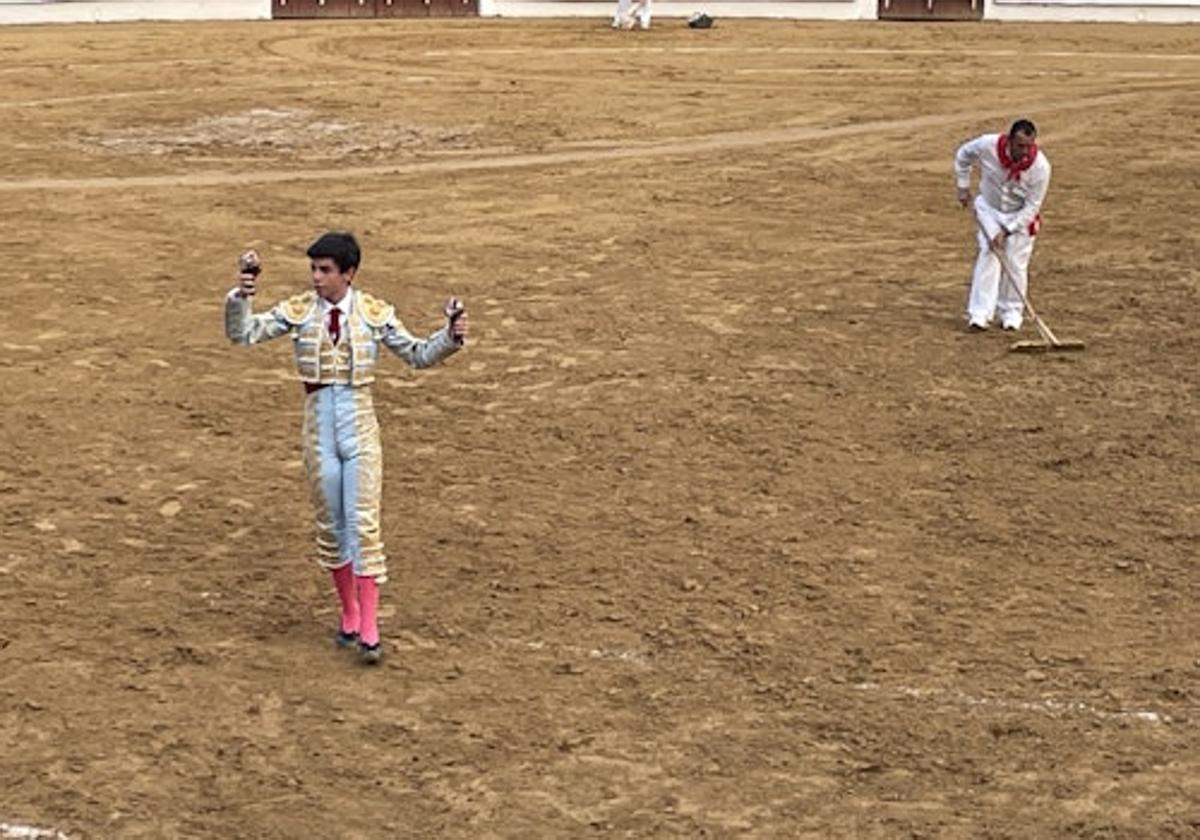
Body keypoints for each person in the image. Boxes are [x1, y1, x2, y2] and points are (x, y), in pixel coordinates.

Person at [224, 231, 468, 665]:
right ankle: (350, 611)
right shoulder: (299, 310)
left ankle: (370, 626)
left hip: (359, 427)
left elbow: (416, 354)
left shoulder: (374, 312)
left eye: (325, 270)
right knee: (332, 525)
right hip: (318, 430)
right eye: (313, 270)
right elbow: (243, 334)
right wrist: (241, 295)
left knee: (363, 524)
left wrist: (449, 336)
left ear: (348, 273)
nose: (317, 278)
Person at [954, 118, 1052, 332]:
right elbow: (963, 155)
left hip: (1018, 217)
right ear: (1009, 141)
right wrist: (962, 186)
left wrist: (1007, 230)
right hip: (990, 209)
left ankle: (1011, 311)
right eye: (1020, 146)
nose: (1024, 152)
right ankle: (980, 313)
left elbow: (1032, 207)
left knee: (1016, 263)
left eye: (1029, 146)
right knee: (988, 253)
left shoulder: (1041, 168)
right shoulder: (987, 144)